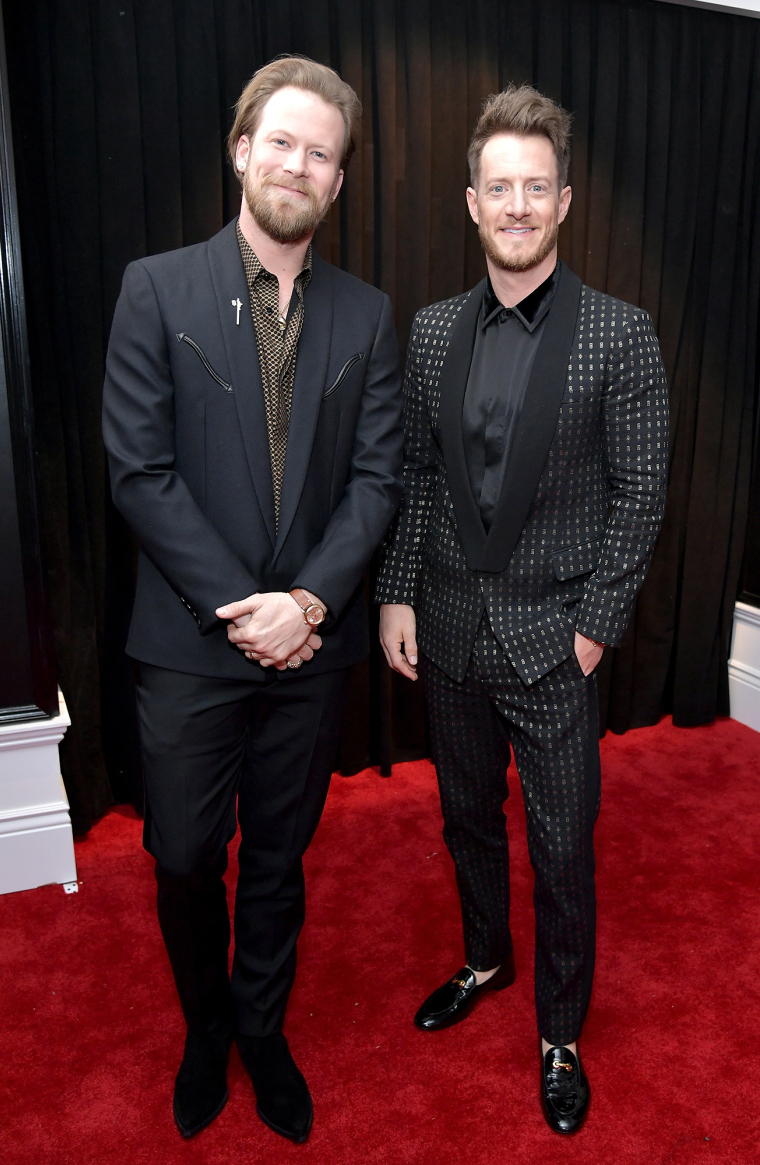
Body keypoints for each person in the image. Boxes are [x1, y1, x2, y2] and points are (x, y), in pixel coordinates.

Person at [103, 57, 402, 1144]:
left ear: (336, 182)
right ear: (242, 149)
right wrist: (251, 607)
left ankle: (263, 1029)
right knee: (184, 855)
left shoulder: (367, 315)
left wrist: (311, 603)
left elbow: (379, 479)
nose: (299, 165)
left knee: (279, 856)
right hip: (191, 646)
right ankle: (206, 1024)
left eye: (321, 154)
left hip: (308, 656)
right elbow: (138, 471)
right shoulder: (157, 287)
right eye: (282, 141)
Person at [377, 83, 668, 1135]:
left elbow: (640, 492)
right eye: (497, 187)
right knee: (464, 819)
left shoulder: (622, 335)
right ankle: (484, 958)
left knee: (561, 844)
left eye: (533, 188)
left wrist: (595, 624)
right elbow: (413, 471)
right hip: (446, 632)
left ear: (564, 201)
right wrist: (398, 591)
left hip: (556, 644)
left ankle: (559, 1030)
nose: (515, 204)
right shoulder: (434, 331)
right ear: (469, 202)